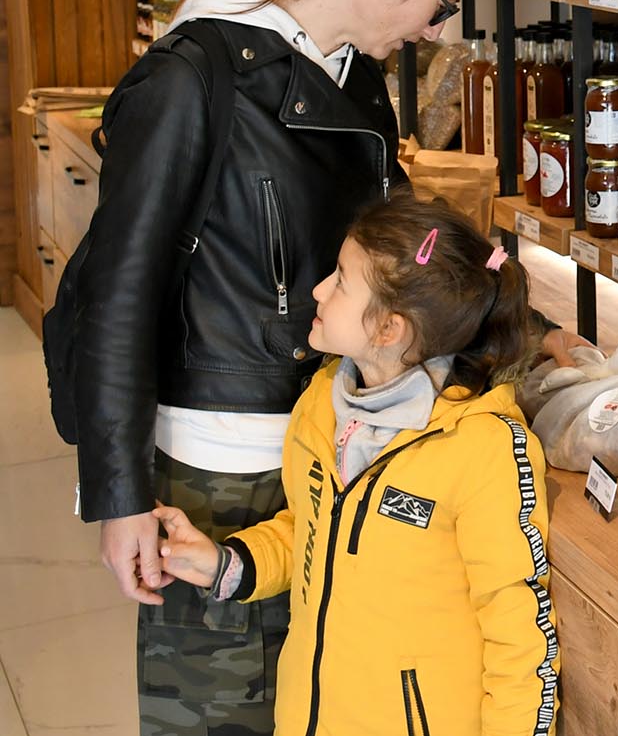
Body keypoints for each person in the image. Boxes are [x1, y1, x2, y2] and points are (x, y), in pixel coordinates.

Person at [66, 0, 487, 736]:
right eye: (443, 5)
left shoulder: (353, 76)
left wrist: (498, 304)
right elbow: (118, 292)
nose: (436, 30)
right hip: (219, 471)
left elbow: (392, 247)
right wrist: (120, 497)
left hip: (326, 444)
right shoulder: (197, 75)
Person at [152, 191, 559, 736]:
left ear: (389, 329)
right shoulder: (324, 401)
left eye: (341, 280)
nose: (318, 290)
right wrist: (226, 565)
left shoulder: (483, 449)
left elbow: (520, 634)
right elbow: (312, 530)